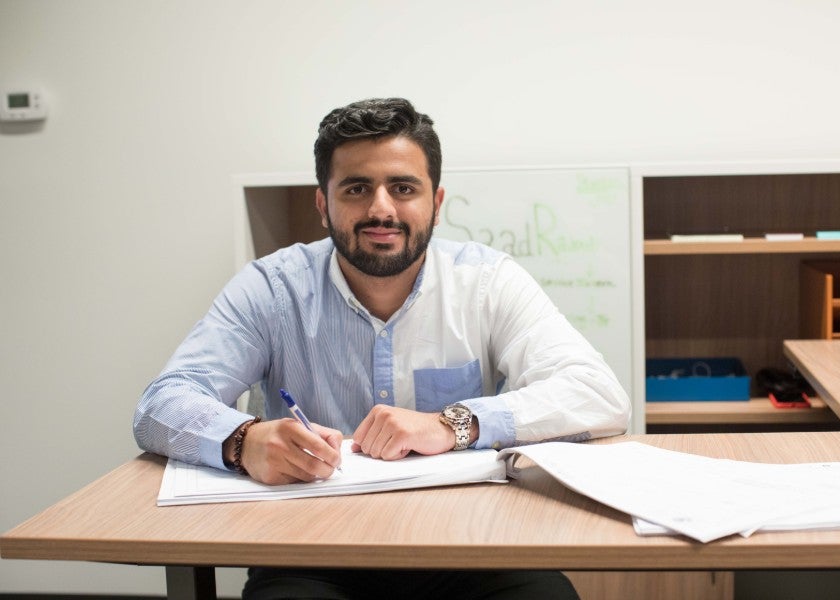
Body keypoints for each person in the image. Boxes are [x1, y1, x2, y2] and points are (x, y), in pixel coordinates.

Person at [134, 97, 630, 600]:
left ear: (435, 204)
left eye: (402, 188)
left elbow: (598, 395)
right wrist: (242, 440)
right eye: (356, 188)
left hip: (467, 541)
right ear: (323, 204)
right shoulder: (272, 288)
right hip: (308, 548)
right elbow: (162, 403)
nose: (381, 209)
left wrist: (454, 423)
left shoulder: (486, 282)